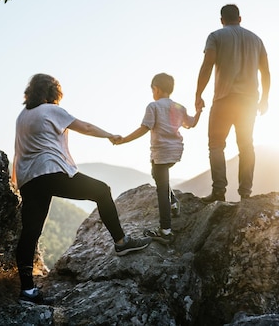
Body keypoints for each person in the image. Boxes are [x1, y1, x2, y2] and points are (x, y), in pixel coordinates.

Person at [13, 73, 151, 304]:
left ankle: (26, 291)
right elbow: (84, 126)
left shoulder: (22, 116)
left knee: (30, 233)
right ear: (53, 92)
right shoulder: (51, 110)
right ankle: (121, 242)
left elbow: (17, 149)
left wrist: (17, 182)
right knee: (102, 191)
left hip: (29, 179)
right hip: (51, 171)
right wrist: (109, 135)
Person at [195, 4, 271, 203]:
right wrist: (265, 99)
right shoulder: (257, 40)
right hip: (248, 102)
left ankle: (218, 191)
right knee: (246, 145)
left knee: (216, 144)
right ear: (240, 18)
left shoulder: (216, 36)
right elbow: (266, 72)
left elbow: (207, 65)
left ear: (222, 20)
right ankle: (245, 193)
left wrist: (198, 94)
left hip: (224, 99)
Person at [114, 73, 201, 244]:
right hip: (175, 152)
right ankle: (174, 203)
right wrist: (199, 111)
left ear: (157, 89)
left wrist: (124, 140)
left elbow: (144, 128)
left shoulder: (153, 106)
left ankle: (166, 231)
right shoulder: (179, 107)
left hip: (161, 152)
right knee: (158, 174)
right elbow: (191, 123)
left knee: (161, 187)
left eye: (152, 89)